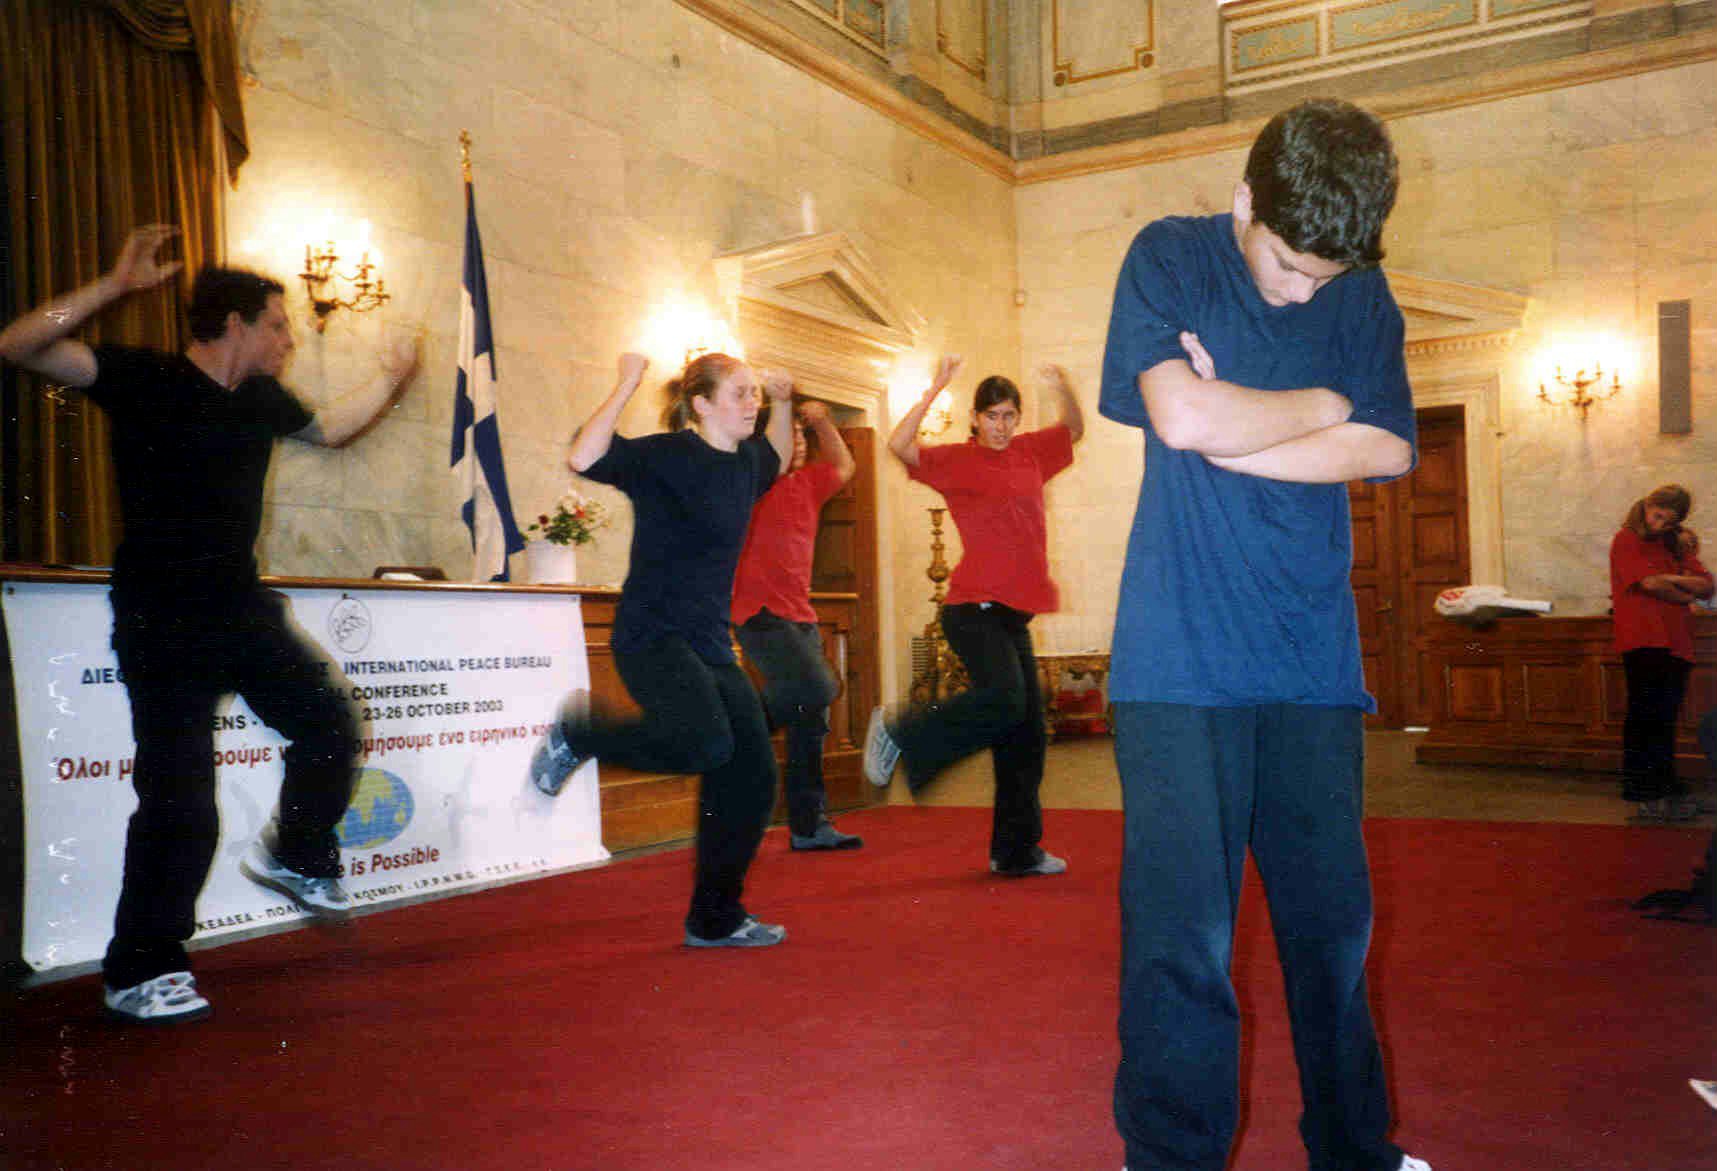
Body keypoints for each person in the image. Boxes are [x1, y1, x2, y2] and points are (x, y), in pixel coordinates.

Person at [1098, 99, 1433, 1171]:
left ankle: (1354, 1151)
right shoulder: (1167, 255)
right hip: (1176, 657)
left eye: (1322, 278)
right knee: (1179, 944)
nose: (1300, 290)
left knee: (1332, 939)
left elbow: (1384, 452)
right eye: (1287, 263)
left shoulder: (1360, 292)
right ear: (1245, 201)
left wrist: (1252, 419)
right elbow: (1182, 420)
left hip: (1310, 663)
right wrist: (1327, 406)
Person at [0, 225, 418, 1025]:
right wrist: (116, 286)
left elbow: (329, 429)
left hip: (240, 605)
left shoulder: (261, 402)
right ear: (233, 325)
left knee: (330, 722)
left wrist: (392, 382)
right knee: (181, 799)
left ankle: (296, 849)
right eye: (277, 324)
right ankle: (139, 969)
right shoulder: (143, 378)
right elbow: (18, 343)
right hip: (163, 613)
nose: (289, 339)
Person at [530, 350, 795, 947]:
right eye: (741, 394)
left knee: (751, 776)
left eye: (753, 394)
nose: (751, 404)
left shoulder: (749, 461)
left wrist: (780, 397)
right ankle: (581, 734)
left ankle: (714, 917)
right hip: (651, 635)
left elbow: (777, 453)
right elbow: (583, 455)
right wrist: (626, 380)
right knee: (706, 741)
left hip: (708, 642)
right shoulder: (668, 455)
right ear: (701, 405)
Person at [863, 356, 1082, 878]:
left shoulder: (1031, 453)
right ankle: (900, 730)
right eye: (992, 416)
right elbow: (898, 445)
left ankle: (1015, 851)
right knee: (1006, 699)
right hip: (972, 609)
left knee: (1026, 731)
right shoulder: (958, 460)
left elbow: (1073, 428)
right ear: (975, 419)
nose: (1001, 426)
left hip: (1014, 616)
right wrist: (934, 386)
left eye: (1009, 415)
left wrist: (1063, 385)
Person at [731, 398, 862, 851]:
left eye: (801, 437)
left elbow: (844, 465)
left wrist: (824, 422)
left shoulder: (808, 484)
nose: (800, 445)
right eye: (792, 437)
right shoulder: (746, 482)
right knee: (818, 688)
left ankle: (808, 825)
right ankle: (739, 730)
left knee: (810, 717)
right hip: (758, 611)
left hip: (799, 614)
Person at [1610, 484, 1713, 821]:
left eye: (1668, 522)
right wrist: (1681, 590)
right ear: (1647, 504)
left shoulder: (1676, 545)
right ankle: (1645, 795)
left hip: (1677, 642)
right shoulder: (1626, 539)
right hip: (1644, 638)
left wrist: (1668, 579)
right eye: (1657, 515)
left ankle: (1665, 791)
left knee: (1665, 720)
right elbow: (1651, 585)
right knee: (1646, 719)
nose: (1659, 525)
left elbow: (1707, 585)